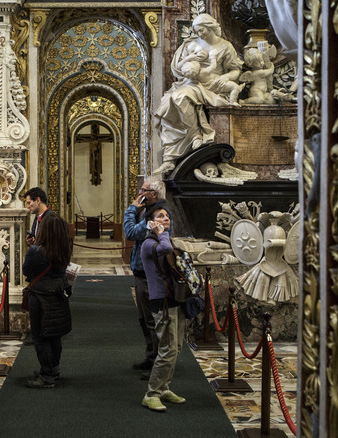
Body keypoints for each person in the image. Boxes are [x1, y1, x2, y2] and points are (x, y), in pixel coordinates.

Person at [152, 13, 243, 175]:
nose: (200, 34)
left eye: (202, 30)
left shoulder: (225, 46)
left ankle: (193, 137)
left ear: (210, 27)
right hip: (191, 82)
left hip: (214, 85)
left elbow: (235, 71)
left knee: (179, 97)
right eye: (197, 31)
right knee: (169, 102)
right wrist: (191, 58)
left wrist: (226, 77)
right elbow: (178, 70)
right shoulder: (191, 45)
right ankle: (170, 157)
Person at [140, 206, 187, 412]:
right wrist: (161, 232)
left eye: (167, 216)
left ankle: (164, 387)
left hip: (175, 298)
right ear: (150, 222)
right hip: (162, 301)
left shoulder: (162, 239)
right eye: (160, 216)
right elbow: (166, 250)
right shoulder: (149, 243)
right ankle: (151, 394)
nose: (166, 218)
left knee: (176, 348)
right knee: (167, 349)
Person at [122, 177, 170, 380]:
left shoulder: (158, 214)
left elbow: (130, 232)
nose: (139, 192)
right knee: (144, 319)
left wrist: (131, 208)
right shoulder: (149, 210)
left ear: (154, 194)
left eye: (144, 190)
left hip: (151, 274)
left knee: (152, 320)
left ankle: (157, 364)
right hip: (142, 273)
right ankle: (151, 357)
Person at [22, 214, 74, 388]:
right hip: (59, 294)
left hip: (40, 296)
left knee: (40, 336)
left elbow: (26, 271)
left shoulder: (36, 251)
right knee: (54, 335)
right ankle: (54, 369)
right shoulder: (65, 248)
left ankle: (46, 376)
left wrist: (31, 246)